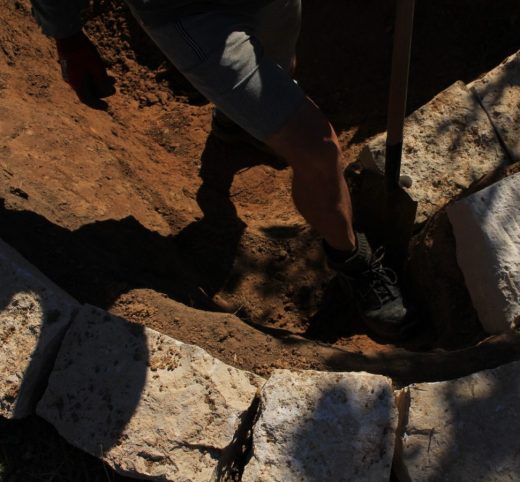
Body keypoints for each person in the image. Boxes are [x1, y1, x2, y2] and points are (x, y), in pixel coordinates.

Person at [29, 0, 413, 339]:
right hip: (188, 12)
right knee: (318, 150)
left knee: (279, 67)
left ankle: (236, 125)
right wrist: (66, 34)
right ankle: (353, 260)